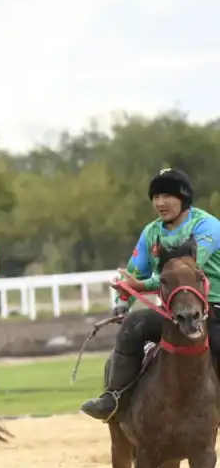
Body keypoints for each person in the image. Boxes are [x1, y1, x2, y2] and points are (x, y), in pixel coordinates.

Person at [80, 168, 220, 422]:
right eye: (155, 196)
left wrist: (142, 286)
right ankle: (114, 398)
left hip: (213, 309)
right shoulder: (151, 232)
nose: (159, 202)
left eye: (167, 195)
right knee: (134, 327)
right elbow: (134, 272)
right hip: (169, 311)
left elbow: (185, 272)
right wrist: (123, 302)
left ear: (184, 198)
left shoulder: (207, 226)